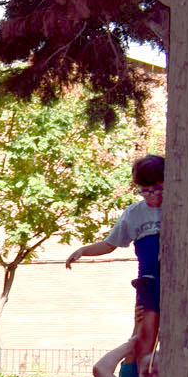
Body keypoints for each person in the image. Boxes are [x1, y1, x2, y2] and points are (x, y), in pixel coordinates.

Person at [66, 154, 163, 364]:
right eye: (144, 191)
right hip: (148, 280)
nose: (151, 196)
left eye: (157, 189)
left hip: (174, 277)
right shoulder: (134, 213)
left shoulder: (178, 207)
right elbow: (110, 244)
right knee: (146, 330)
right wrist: (83, 250)